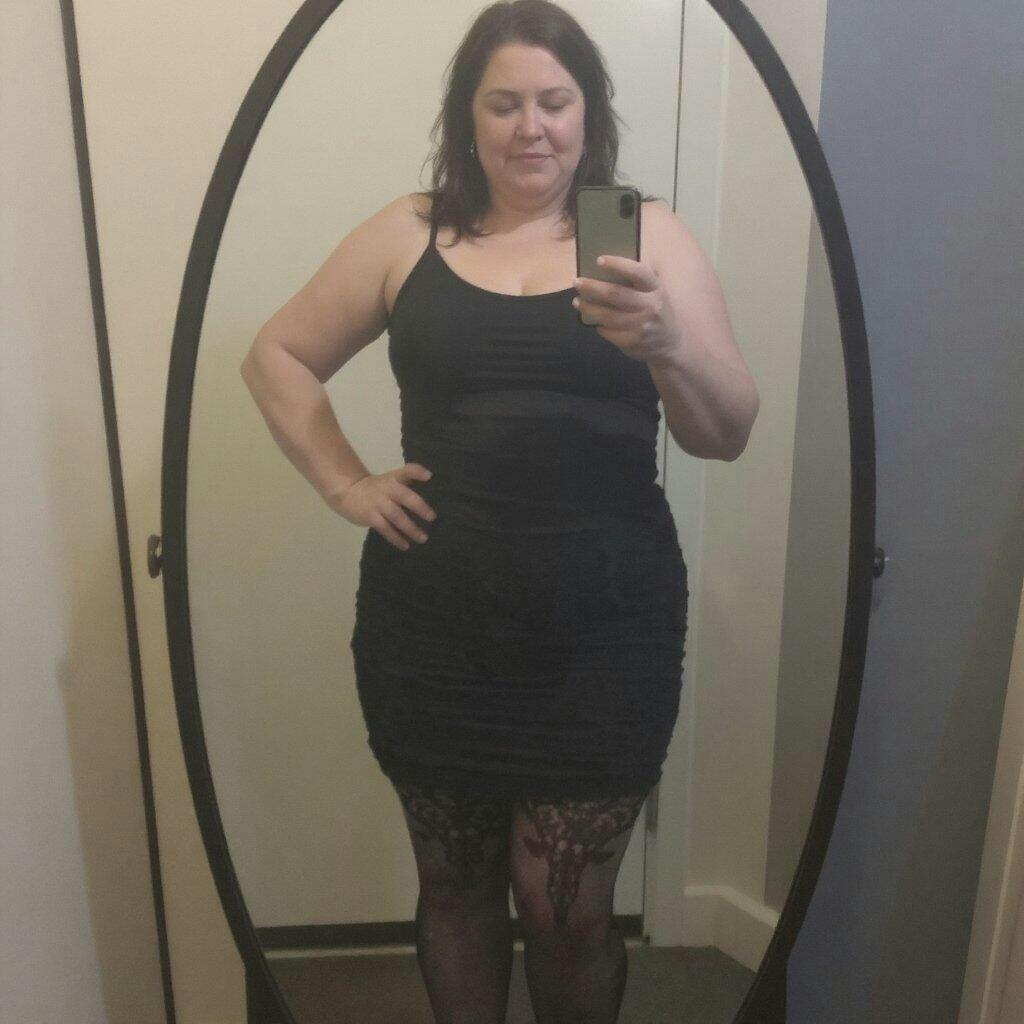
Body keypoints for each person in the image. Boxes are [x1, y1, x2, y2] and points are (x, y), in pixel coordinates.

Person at [241, 2, 758, 1020]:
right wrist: (347, 482)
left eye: (554, 102)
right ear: (466, 117)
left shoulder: (643, 234)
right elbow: (278, 356)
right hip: (434, 625)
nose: (532, 127)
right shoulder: (410, 230)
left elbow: (726, 429)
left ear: (587, 112)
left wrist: (668, 343)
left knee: (564, 909)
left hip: (605, 627)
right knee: (456, 887)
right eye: (504, 103)